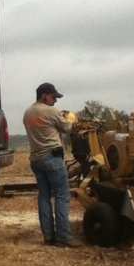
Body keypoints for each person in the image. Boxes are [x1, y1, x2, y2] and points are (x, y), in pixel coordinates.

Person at [23, 82, 82, 248]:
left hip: (36, 160)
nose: (55, 100)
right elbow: (67, 128)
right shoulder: (51, 111)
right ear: (44, 96)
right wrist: (70, 117)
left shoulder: (27, 113)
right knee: (62, 196)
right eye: (53, 97)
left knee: (44, 197)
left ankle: (48, 237)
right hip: (53, 159)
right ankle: (63, 237)